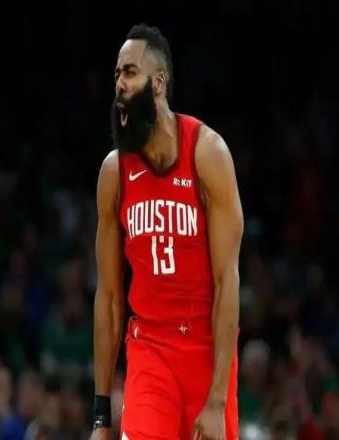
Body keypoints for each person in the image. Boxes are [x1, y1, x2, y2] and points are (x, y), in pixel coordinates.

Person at [91, 23, 244, 440]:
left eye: (130, 72)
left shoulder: (207, 154)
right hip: (149, 347)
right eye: (117, 75)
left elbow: (226, 280)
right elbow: (108, 298)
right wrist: (101, 417)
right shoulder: (114, 173)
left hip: (205, 348)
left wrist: (216, 401)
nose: (119, 85)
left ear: (158, 83)